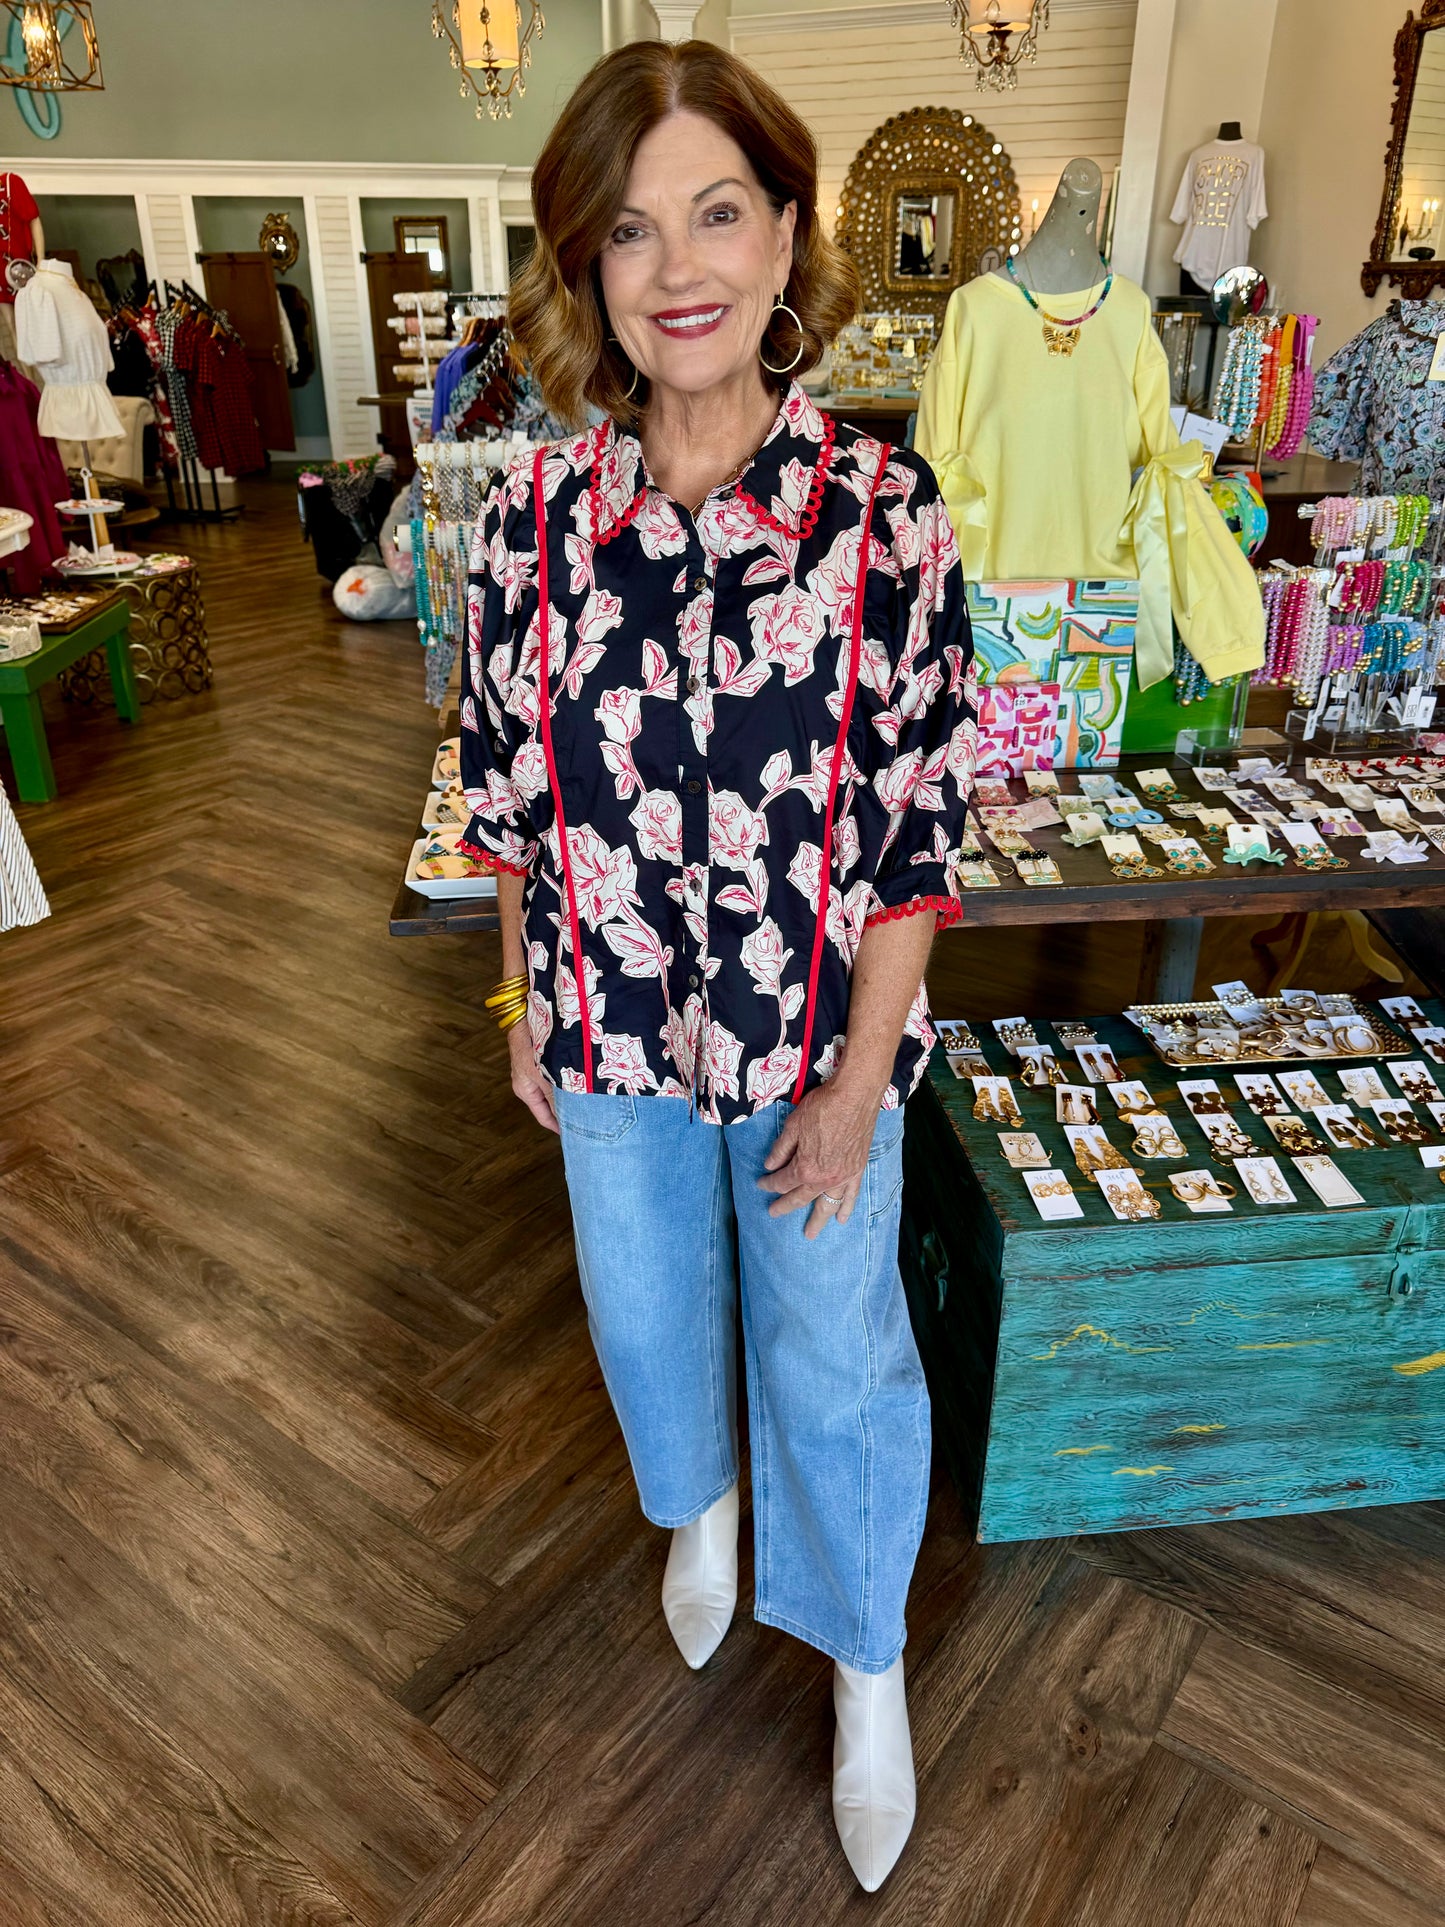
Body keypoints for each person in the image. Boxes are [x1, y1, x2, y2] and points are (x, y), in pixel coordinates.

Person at [457, 41, 977, 1894]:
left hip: (808, 1051)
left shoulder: (881, 521)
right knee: (645, 1317)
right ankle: (701, 1510)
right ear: (584, 270)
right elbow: (504, 803)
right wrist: (522, 1003)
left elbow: (917, 837)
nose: (676, 265)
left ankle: (861, 1657)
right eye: (627, 229)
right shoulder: (527, 522)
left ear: (780, 236)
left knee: (834, 1360)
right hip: (600, 1033)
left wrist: (852, 1089)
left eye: (717, 212)